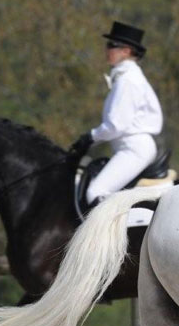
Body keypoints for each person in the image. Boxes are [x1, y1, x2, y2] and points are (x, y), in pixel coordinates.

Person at [69, 21, 163, 206]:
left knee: (95, 192)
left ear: (126, 51)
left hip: (133, 149)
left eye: (112, 46)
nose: (107, 49)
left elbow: (116, 125)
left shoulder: (127, 80)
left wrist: (90, 137)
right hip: (129, 147)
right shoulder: (124, 77)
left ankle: (107, 235)